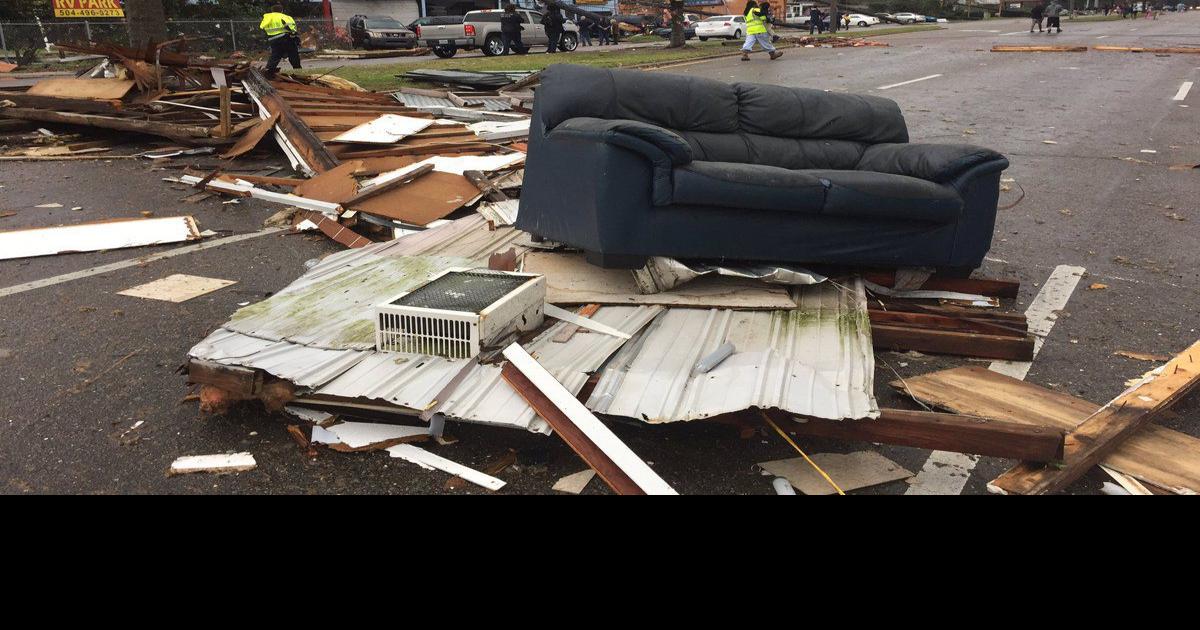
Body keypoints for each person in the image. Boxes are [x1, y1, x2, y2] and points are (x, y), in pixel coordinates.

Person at [260, 4, 300, 78]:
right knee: (293, 53)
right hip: (286, 38)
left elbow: (262, 26)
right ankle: (298, 70)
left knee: (275, 55)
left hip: (274, 39)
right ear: (282, 10)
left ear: (272, 10)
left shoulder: (268, 17)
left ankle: (269, 70)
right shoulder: (286, 17)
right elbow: (293, 29)